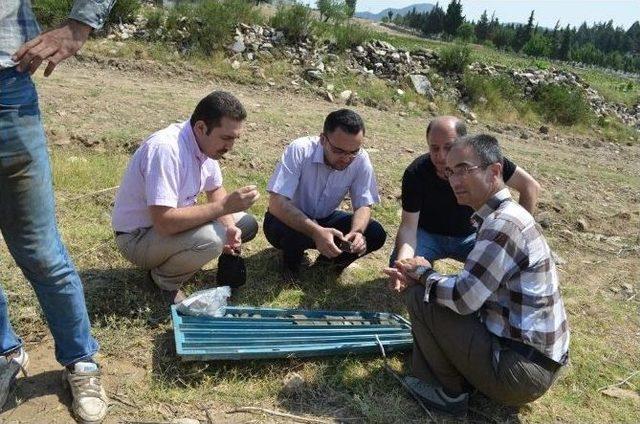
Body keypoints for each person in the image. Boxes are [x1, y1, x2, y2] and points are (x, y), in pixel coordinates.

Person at [384, 134, 569, 415]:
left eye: (463, 170)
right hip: (536, 362)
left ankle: (446, 392)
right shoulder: (505, 216)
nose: (454, 181)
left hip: (519, 372)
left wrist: (421, 273)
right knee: (433, 287)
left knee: (419, 295)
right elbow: (475, 286)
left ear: (494, 171)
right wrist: (427, 274)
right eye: (449, 172)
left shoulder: (502, 224)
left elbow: (463, 299)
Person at [0, 1, 114, 422]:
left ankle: (82, 362)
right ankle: (5, 354)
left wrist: (80, 24)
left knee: (41, 252)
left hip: (5, 94)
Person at [112, 91, 260, 303]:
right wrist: (224, 209)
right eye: (226, 138)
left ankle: (188, 253)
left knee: (245, 224)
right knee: (214, 237)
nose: (230, 147)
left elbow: (215, 189)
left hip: (167, 227)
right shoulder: (166, 149)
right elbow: (164, 223)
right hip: (138, 238)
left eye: (235, 139)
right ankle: (164, 280)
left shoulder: (204, 145)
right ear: (201, 127)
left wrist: (230, 227)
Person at [390, 116, 541, 277]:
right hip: (428, 235)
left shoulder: (484, 163)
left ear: (464, 143)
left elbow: (530, 186)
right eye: (434, 148)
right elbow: (408, 227)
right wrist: (403, 263)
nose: (441, 156)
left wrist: (516, 235)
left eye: (448, 147)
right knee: (405, 270)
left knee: (508, 270)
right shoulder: (416, 172)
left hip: (472, 237)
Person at [264, 109, 386, 281]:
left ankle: (326, 266)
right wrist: (316, 232)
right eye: (339, 151)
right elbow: (277, 204)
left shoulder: (361, 159)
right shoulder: (300, 149)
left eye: (353, 152)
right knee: (295, 232)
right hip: (286, 220)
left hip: (324, 219)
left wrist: (356, 232)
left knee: (374, 232)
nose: (346, 158)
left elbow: (363, 204)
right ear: (323, 139)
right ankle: (291, 269)